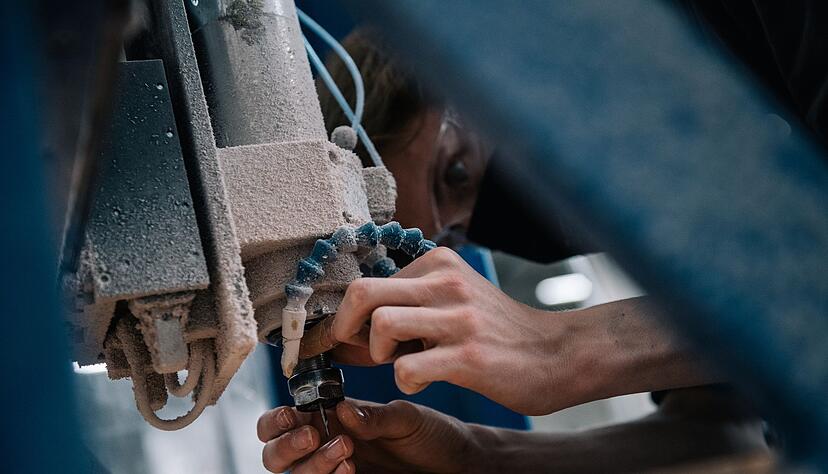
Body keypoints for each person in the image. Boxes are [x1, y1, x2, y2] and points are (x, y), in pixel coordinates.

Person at [255, 0, 828, 467]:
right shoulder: (704, 193)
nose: (509, 215)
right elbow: (723, 432)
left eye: (456, 172)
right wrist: (480, 456)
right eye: (453, 236)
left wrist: (565, 347)